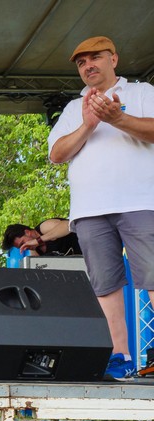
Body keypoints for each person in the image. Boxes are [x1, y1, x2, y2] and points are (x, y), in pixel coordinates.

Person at [48, 36, 154, 381]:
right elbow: (57, 154)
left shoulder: (142, 92)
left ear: (114, 59)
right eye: (82, 62)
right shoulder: (73, 108)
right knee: (105, 286)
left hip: (141, 202)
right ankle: (119, 358)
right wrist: (89, 124)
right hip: (90, 209)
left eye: (95, 57)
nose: (88, 65)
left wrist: (117, 119)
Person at [1, 218, 82, 256]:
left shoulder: (44, 227)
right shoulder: (35, 252)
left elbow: (68, 225)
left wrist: (38, 240)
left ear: (27, 232)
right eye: (21, 247)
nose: (25, 247)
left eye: (22, 243)